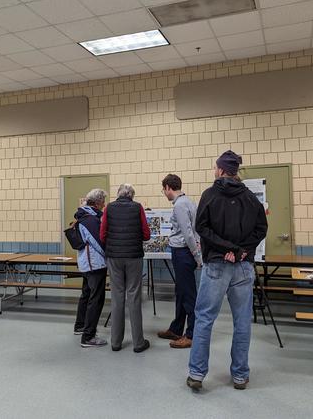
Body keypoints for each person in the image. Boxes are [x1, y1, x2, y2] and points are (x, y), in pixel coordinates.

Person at [187, 151, 267, 392]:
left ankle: (197, 374)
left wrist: (228, 248)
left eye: (215, 167)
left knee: (204, 319)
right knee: (242, 321)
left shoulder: (210, 195)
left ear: (221, 170)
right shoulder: (251, 198)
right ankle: (240, 375)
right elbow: (261, 228)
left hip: (216, 265)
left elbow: (201, 227)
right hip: (242, 267)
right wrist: (241, 250)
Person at [100, 183, 151, 353]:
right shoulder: (138, 208)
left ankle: (115, 342)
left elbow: (102, 234)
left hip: (114, 257)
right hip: (134, 257)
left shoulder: (109, 208)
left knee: (117, 297)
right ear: (131, 195)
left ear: (118, 194)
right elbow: (146, 234)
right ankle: (138, 343)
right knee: (134, 297)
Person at [157, 174, 201, 349]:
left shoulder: (180, 206)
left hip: (183, 253)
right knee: (181, 292)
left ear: (168, 187)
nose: (164, 193)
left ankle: (191, 334)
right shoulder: (188, 202)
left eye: (163, 189)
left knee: (188, 294)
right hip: (183, 252)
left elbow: (188, 234)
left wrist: (197, 256)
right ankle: (176, 328)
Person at [73, 188, 109, 348]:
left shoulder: (82, 216)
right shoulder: (91, 220)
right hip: (95, 265)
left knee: (86, 296)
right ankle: (88, 336)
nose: (104, 205)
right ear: (98, 202)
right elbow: (99, 242)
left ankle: (80, 326)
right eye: (103, 202)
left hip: (87, 264)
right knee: (96, 299)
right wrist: (110, 256)